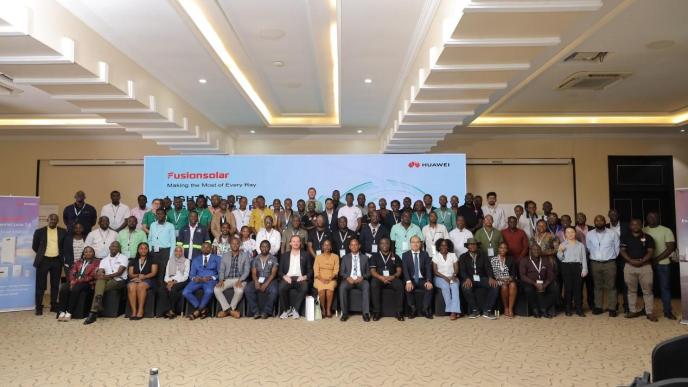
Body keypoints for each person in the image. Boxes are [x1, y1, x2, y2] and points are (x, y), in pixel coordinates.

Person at [643, 211, 677, 320]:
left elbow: (670, 247)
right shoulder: (643, 230)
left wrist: (656, 259)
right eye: (649, 217)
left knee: (665, 288)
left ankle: (667, 311)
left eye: (654, 216)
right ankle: (648, 310)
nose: (651, 218)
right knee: (647, 289)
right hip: (647, 264)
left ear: (658, 218)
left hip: (663, 264)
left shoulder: (666, 230)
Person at [84, 241, 128, 324]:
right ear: (109, 248)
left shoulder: (123, 257)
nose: (114, 248)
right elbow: (101, 271)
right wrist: (100, 274)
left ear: (119, 249)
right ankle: (97, 305)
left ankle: (93, 313)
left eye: (117, 246)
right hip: (106, 280)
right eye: (113, 246)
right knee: (100, 281)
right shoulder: (104, 260)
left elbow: (119, 273)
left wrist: (105, 276)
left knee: (99, 287)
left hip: (119, 280)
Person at [621, 219, 657, 322]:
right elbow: (622, 251)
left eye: (638, 224)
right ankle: (633, 311)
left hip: (645, 267)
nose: (635, 226)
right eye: (633, 224)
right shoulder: (625, 237)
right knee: (631, 290)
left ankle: (649, 312)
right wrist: (630, 260)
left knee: (648, 291)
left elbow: (650, 252)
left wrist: (641, 261)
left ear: (642, 225)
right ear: (630, 226)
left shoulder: (648, 237)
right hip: (629, 266)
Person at [32, 213, 67, 315]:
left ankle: (53, 305)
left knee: (55, 285)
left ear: (57, 221)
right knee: (40, 285)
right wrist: (43, 254)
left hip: (57, 261)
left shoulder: (63, 231)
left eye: (55, 219)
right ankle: (38, 307)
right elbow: (35, 247)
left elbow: (64, 247)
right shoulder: (39, 232)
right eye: (51, 219)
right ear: (47, 220)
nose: (53, 221)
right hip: (43, 261)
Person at [586, 215, 620, 317]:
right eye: (597, 220)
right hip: (595, 263)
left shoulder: (612, 233)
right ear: (594, 222)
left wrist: (609, 257)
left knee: (612, 286)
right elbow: (588, 248)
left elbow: (617, 248)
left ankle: (612, 308)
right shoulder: (589, 234)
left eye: (601, 220)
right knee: (597, 286)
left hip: (610, 263)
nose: (599, 222)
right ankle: (598, 307)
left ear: (605, 222)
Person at [56, 246, 99, 322]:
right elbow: (72, 272)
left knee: (76, 288)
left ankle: (69, 312)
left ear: (93, 253)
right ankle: (62, 311)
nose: (88, 253)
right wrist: (72, 280)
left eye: (90, 251)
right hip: (75, 281)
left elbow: (92, 276)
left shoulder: (97, 263)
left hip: (88, 283)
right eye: (86, 252)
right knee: (64, 287)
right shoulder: (79, 261)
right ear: (83, 253)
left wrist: (76, 281)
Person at [459, 238, 499, 319]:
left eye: (474, 244)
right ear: (468, 246)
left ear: (477, 246)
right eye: (470, 244)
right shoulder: (463, 257)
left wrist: (491, 277)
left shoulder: (483, 255)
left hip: (481, 278)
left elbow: (488, 268)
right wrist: (466, 278)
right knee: (465, 287)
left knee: (495, 286)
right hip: (469, 279)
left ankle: (487, 311)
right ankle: (475, 310)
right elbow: (462, 270)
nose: (473, 246)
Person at [214, 237, 252, 319]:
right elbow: (222, 270)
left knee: (239, 290)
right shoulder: (225, 255)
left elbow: (247, 271)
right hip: (227, 279)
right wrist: (221, 280)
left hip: (240, 279)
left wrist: (240, 280)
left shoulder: (245, 256)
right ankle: (230, 310)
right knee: (216, 289)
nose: (235, 245)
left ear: (240, 245)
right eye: (233, 243)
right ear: (230, 245)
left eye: (237, 243)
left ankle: (228, 310)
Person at [182, 242, 221, 320]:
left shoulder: (217, 258)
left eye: (207, 247)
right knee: (185, 292)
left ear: (211, 249)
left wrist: (212, 277)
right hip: (198, 280)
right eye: (204, 247)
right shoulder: (196, 259)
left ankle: (197, 311)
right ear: (201, 249)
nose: (205, 249)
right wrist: (194, 278)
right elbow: (191, 274)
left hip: (209, 281)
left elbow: (221, 273)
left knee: (209, 291)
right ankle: (202, 309)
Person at [369, 237, 404, 321]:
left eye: (386, 243)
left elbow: (399, 271)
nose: (384, 245)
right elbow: (372, 271)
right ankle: (376, 312)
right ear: (379, 245)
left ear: (389, 245)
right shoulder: (374, 256)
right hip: (379, 278)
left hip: (392, 278)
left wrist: (393, 276)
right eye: (382, 243)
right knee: (373, 284)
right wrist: (381, 277)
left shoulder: (395, 256)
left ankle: (399, 312)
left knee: (399, 285)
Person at [278, 236, 313, 319]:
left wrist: (304, 277)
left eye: (298, 241)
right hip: (288, 278)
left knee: (305, 287)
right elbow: (279, 271)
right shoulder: (285, 255)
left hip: (300, 278)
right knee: (281, 288)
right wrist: (284, 276)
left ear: (300, 243)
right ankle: (286, 310)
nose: (296, 243)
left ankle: (295, 310)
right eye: (293, 241)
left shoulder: (306, 254)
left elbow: (310, 270)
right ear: (290, 243)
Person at [557, 226, 588, 317]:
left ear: (575, 233)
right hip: (566, 266)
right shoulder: (562, 244)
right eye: (568, 232)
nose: (570, 234)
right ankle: (568, 308)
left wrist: (584, 269)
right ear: (565, 234)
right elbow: (560, 258)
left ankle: (579, 308)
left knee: (578, 289)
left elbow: (583, 258)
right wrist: (560, 251)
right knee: (568, 289)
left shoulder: (580, 245)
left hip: (577, 267)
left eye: (572, 232)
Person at [244, 240, 279, 319]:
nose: (264, 248)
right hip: (258, 278)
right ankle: (255, 311)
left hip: (270, 279)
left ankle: (266, 311)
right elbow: (253, 273)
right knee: (247, 289)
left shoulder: (274, 258)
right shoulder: (255, 259)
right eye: (263, 246)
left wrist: (266, 284)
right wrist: (256, 281)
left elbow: (273, 274)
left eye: (266, 246)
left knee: (274, 291)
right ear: (259, 248)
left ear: (269, 248)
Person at [519, 244, 556, 318]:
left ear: (540, 251)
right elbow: (523, 276)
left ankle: (543, 308)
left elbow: (551, 275)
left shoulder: (545, 260)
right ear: (530, 251)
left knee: (555, 288)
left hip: (543, 282)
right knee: (528, 289)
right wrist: (535, 284)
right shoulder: (524, 260)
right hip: (530, 282)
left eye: (538, 249)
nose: (536, 251)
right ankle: (535, 309)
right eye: (534, 249)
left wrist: (545, 285)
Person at [339, 238, 371, 322]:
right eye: (352, 245)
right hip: (349, 280)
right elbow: (342, 272)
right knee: (342, 287)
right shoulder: (345, 258)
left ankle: (365, 313)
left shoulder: (365, 258)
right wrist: (347, 278)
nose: (354, 246)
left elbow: (368, 273)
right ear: (349, 247)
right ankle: (344, 313)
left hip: (360, 280)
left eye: (356, 244)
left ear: (359, 246)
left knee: (366, 285)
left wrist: (362, 277)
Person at [401, 236, 433, 319]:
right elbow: (405, 270)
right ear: (410, 244)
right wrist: (408, 281)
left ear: (421, 244)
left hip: (422, 279)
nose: (415, 244)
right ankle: (413, 309)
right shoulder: (405, 255)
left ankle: (425, 309)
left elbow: (428, 269)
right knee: (408, 288)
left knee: (430, 288)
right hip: (411, 279)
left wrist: (429, 281)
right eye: (413, 242)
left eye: (417, 242)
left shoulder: (425, 254)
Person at [127, 242, 159, 320]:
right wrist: (138, 276)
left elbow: (153, 273)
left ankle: (140, 310)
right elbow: (130, 274)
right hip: (135, 279)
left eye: (145, 248)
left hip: (149, 280)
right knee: (131, 286)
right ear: (138, 250)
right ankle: (134, 311)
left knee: (141, 285)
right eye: (141, 248)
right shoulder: (133, 260)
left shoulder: (153, 260)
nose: (143, 250)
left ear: (148, 250)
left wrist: (143, 277)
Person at [432, 238, 461, 320]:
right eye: (442, 245)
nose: (444, 247)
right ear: (439, 247)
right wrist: (445, 278)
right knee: (445, 286)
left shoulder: (453, 255)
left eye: (445, 245)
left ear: (448, 247)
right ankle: (453, 310)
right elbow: (435, 271)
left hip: (452, 276)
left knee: (455, 286)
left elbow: (456, 268)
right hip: (439, 277)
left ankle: (453, 312)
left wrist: (454, 275)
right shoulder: (436, 257)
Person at [158, 246, 190, 319]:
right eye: (176, 251)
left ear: (182, 252)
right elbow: (166, 274)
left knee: (173, 289)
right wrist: (168, 282)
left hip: (181, 281)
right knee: (161, 289)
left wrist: (175, 282)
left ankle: (172, 310)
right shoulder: (170, 260)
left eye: (180, 251)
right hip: (169, 281)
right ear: (174, 252)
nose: (178, 252)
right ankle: (168, 310)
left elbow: (186, 276)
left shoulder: (186, 261)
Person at [608, 209, 630, 313]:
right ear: (608, 215)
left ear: (618, 215)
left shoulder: (627, 225)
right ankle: (613, 305)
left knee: (626, 283)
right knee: (612, 283)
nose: (613, 215)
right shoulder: (605, 226)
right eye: (611, 214)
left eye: (615, 214)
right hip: (610, 258)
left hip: (624, 258)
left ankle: (626, 306)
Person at [148, 208, 176, 281]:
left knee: (163, 272)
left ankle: (162, 290)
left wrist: (171, 255)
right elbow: (149, 239)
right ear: (156, 215)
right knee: (154, 271)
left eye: (162, 213)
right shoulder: (152, 225)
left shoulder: (170, 226)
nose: (160, 215)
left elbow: (173, 242)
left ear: (165, 215)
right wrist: (151, 250)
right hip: (154, 251)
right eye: (158, 214)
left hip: (165, 251)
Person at [491, 242, 518, 318]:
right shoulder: (493, 259)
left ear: (507, 250)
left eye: (505, 248)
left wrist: (509, 279)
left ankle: (510, 309)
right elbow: (494, 274)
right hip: (498, 279)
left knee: (513, 285)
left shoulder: (511, 259)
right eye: (501, 248)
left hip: (509, 279)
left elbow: (513, 273)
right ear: (498, 249)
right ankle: (505, 307)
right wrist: (502, 279)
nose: (503, 249)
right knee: (504, 287)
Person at [313, 239, 339, 318]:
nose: (327, 246)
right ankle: (323, 309)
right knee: (321, 289)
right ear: (322, 247)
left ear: (331, 247)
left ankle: (328, 309)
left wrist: (331, 277)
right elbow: (316, 271)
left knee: (329, 289)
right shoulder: (318, 257)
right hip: (319, 278)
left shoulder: (335, 257)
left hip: (331, 279)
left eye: (328, 245)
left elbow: (336, 270)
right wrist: (322, 279)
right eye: (325, 245)